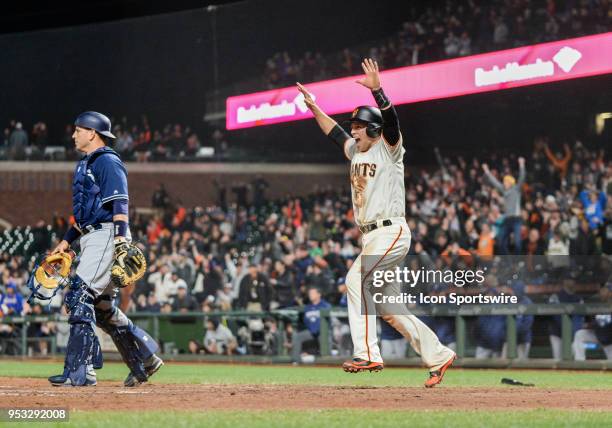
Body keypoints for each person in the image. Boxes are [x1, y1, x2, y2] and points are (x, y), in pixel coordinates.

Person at [297, 58, 455, 387]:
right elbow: (333, 132)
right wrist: (314, 109)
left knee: (356, 281)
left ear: (373, 129)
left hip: (391, 231)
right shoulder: (356, 151)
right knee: (388, 307)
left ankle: (368, 352)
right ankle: (438, 354)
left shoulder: (388, 150)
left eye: (359, 126)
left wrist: (378, 92)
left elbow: (392, 122)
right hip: (371, 238)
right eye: (353, 126)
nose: (353, 130)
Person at [47, 111, 163, 387]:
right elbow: (85, 216)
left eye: (78, 130)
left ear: (92, 133)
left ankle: (81, 370)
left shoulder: (107, 161)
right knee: (101, 308)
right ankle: (144, 357)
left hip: (107, 234)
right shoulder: (87, 163)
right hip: (93, 235)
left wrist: (122, 240)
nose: (74, 134)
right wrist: (65, 241)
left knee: (79, 296)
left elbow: (120, 203)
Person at [482, 157, 526, 254]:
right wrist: (487, 171)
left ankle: (516, 260)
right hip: (507, 219)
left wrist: (522, 165)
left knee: (518, 243)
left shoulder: (516, 189)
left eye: (506, 181)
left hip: (516, 219)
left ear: (511, 183)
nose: (504, 183)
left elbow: (522, 178)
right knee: (501, 241)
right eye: (504, 181)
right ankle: (508, 261)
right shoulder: (503, 190)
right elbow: (495, 182)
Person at [291, 287, 332, 363]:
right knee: (297, 336)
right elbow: (306, 321)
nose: (310, 295)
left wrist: (316, 328)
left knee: (325, 336)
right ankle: (296, 361)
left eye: (312, 293)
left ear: (319, 294)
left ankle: (327, 361)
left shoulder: (325, 305)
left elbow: (327, 321)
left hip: (322, 332)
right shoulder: (308, 307)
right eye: (309, 293)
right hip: (311, 331)